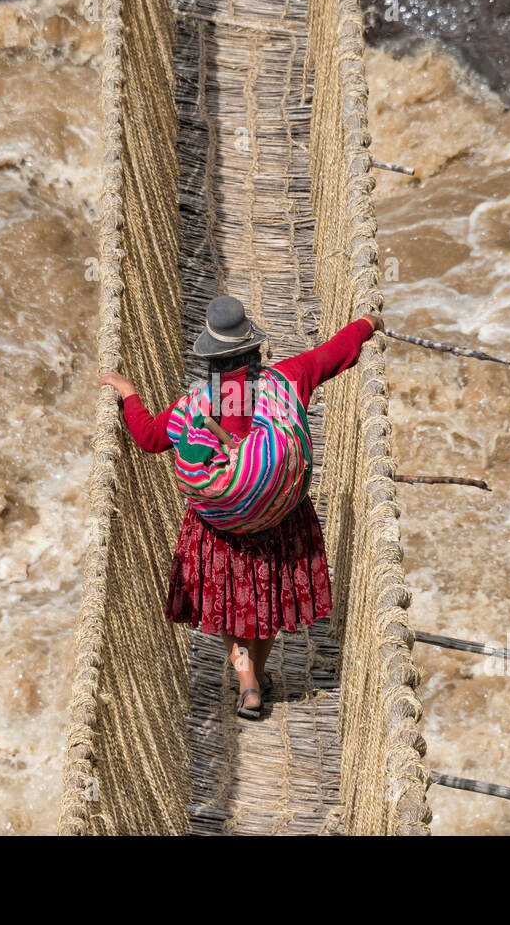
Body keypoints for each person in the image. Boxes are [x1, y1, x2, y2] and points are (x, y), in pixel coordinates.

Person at [98, 296, 384, 718]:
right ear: (254, 349)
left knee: (230, 609)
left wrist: (128, 393)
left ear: (211, 357)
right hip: (279, 520)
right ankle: (258, 675)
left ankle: (247, 681)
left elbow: (149, 438)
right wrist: (368, 322)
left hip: (221, 530)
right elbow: (336, 352)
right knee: (266, 604)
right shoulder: (287, 380)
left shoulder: (194, 405)